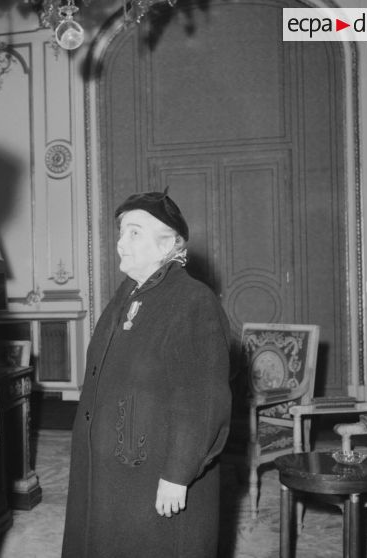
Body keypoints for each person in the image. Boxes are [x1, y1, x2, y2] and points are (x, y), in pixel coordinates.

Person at [62, 190, 232, 558]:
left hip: (157, 472)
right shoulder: (128, 293)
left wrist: (178, 473)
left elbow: (201, 399)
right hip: (115, 470)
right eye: (121, 232)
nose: (121, 243)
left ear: (168, 244)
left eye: (134, 233)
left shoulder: (192, 301)